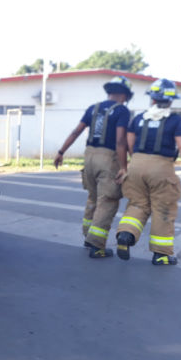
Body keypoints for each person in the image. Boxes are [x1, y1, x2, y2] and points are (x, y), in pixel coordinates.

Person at [115, 78, 181, 265]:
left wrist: (131, 164)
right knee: (163, 208)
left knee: (137, 204)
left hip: (136, 164)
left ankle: (125, 234)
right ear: (170, 101)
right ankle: (161, 254)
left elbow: (129, 144)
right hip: (161, 167)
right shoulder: (175, 120)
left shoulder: (138, 119)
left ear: (152, 99)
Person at [53, 76, 132, 258]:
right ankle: (97, 246)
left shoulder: (93, 108)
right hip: (108, 158)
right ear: (124, 95)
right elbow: (121, 140)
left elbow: (76, 131)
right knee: (108, 200)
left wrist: (61, 151)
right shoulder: (122, 111)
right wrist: (124, 166)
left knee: (93, 198)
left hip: (89, 156)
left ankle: (88, 237)